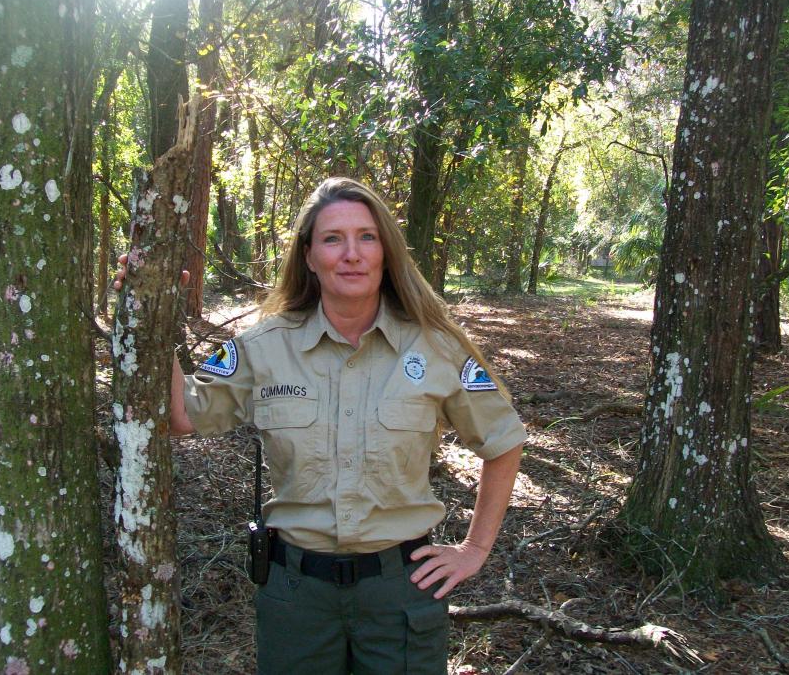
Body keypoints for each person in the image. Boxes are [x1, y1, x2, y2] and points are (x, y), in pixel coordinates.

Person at [115, 177, 526, 674]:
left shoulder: (434, 348)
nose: (351, 253)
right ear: (309, 256)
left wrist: (474, 548)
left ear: (386, 252)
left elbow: (502, 442)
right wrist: (147, 310)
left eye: (367, 237)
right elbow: (182, 415)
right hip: (297, 596)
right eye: (333, 239)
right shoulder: (265, 348)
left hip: (400, 593)